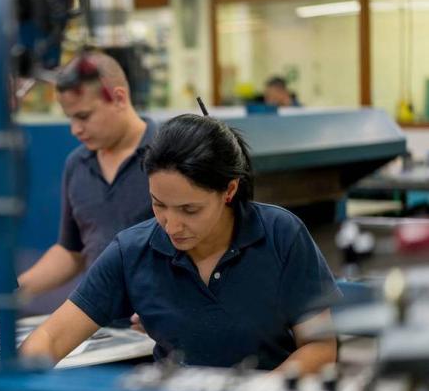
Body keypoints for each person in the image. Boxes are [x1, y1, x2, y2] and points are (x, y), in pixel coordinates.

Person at [20, 113, 341, 373]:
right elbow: (51, 336)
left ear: (229, 191)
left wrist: (259, 390)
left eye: (190, 209)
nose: (171, 225)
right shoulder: (132, 251)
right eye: (158, 204)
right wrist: (20, 377)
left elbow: (320, 347)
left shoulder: (280, 235)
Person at [0, 51, 157, 324]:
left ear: (119, 98)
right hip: (100, 328)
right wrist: (12, 291)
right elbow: (71, 251)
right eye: (70, 118)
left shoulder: (167, 157)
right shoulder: (77, 164)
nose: (75, 129)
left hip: (160, 334)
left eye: (84, 116)